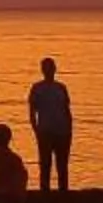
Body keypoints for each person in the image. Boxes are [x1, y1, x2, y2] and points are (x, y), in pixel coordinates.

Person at [27, 56, 73, 192]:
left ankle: (63, 194)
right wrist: (36, 130)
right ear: (42, 70)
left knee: (62, 166)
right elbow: (32, 112)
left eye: (51, 68)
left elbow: (66, 109)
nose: (49, 71)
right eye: (47, 68)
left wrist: (69, 129)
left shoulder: (61, 88)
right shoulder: (37, 88)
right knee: (45, 165)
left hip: (62, 132)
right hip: (45, 132)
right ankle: (45, 195)